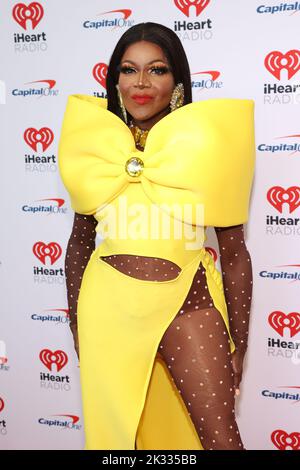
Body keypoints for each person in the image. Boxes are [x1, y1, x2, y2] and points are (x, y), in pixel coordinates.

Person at [58, 22, 255, 450]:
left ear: (177, 82)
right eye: (129, 70)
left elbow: (235, 254)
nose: (141, 83)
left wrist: (238, 342)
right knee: (119, 445)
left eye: (157, 69)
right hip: (107, 313)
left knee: (221, 440)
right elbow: (78, 245)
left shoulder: (207, 147)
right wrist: (76, 323)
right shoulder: (97, 149)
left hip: (190, 302)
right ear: (115, 81)